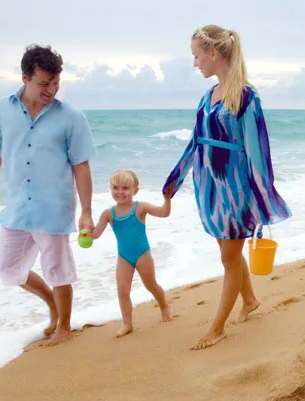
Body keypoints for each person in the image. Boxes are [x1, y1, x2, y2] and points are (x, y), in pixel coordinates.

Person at [162, 25, 292, 351]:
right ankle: (249, 300)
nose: (195, 63)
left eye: (196, 55)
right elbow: (196, 142)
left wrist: (262, 199)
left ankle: (217, 327)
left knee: (229, 257)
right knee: (228, 253)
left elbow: (259, 153)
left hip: (235, 190)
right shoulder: (207, 97)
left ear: (214, 53)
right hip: (208, 186)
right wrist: (175, 180)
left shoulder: (246, 97)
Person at [0, 44, 96, 346]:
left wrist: (86, 211)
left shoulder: (72, 117)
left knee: (58, 271)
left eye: (56, 83)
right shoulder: (1, 109)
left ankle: (64, 328)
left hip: (54, 208)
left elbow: (82, 166)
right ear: (25, 78)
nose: (51, 90)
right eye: (44, 83)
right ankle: (52, 305)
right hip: (17, 208)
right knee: (9, 268)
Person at [92, 170, 173, 336]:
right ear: (110, 188)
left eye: (125, 188)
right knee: (122, 291)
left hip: (143, 254)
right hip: (124, 257)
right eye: (115, 187)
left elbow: (164, 213)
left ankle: (164, 306)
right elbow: (95, 234)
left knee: (151, 285)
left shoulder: (140, 208)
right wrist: (85, 230)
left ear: (135, 190)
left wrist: (167, 199)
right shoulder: (108, 213)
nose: (120, 192)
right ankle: (127, 324)